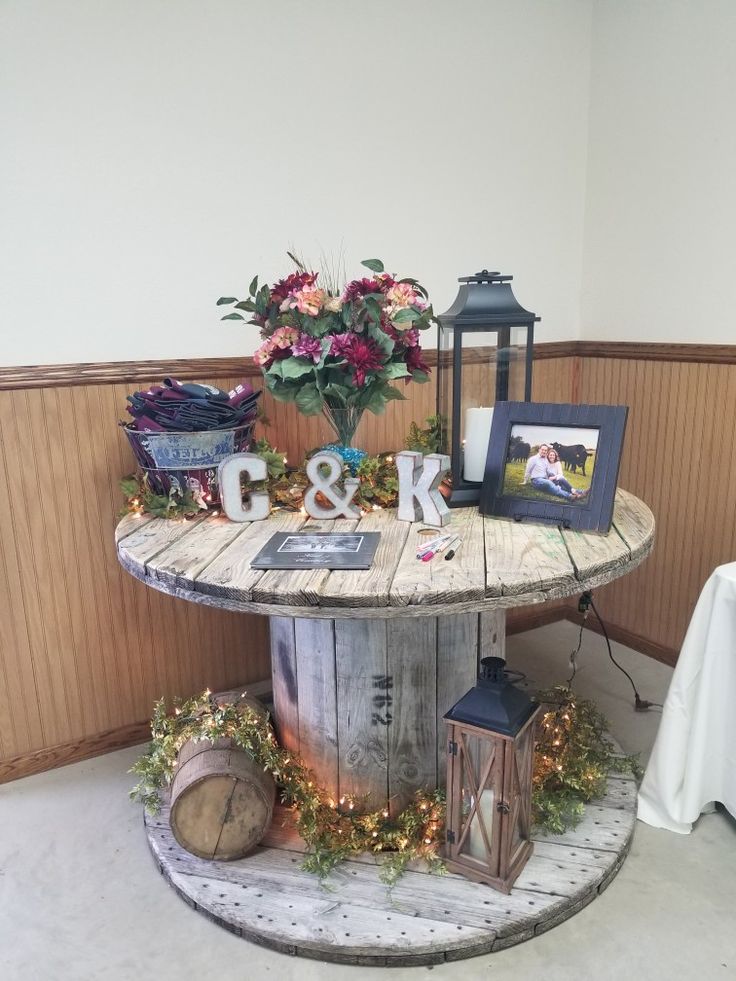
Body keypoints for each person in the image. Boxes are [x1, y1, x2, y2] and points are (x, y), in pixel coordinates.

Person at [522, 443, 588, 501]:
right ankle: (569, 496)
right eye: (542, 450)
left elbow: (549, 469)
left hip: (546, 479)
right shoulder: (533, 459)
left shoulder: (545, 460)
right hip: (536, 480)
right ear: (539, 450)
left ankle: (582, 492)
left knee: (561, 484)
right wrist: (525, 481)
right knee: (549, 483)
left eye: (545, 450)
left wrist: (554, 477)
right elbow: (528, 470)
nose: (544, 451)